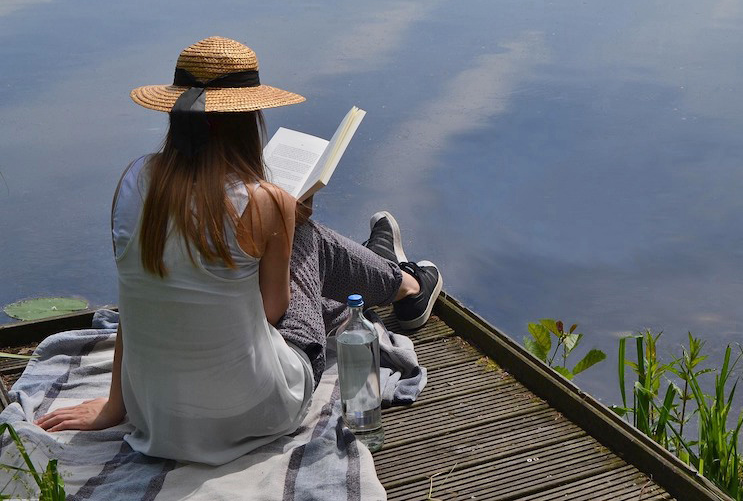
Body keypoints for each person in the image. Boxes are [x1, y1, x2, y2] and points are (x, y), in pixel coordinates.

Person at [33, 36, 443, 465]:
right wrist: (286, 223)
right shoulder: (265, 200)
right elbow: (273, 312)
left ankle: (385, 272)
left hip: (157, 416)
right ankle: (405, 283)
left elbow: (133, 303)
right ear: (249, 119)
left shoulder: (133, 182)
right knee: (309, 241)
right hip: (259, 410)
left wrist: (115, 407)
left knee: (294, 247)